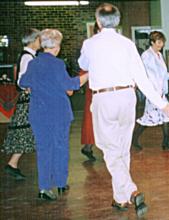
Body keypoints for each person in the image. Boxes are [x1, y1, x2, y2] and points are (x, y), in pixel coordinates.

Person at [78, 3, 169, 217]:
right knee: (122, 150)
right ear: (118, 20)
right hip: (126, 97)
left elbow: (83, 63)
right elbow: (141, 78)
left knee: (110, 149)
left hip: (103, 98)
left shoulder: (90, 44)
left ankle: (131, 190)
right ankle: (120, 198)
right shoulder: (127, 44)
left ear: (98, 21)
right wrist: (163, 104)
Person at [19, 29, 88, 201]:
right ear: (56, 46)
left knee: (43, 150)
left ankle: (44, 188)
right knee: (60, 147)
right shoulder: (57, 64)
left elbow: (22, 82)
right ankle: (60, 182)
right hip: (58, 113)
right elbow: (70, 85)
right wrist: (87, 75)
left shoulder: (33, 63)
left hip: (38, 114)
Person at [2, 29, 40, 180]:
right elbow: (21, 81)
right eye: (38, 39)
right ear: (33, 40)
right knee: (25, 133)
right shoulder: (28, 58)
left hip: (28, 100)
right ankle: (13, 163)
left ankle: (13, 163)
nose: (40, 42)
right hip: (28, 101)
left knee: (26, 133)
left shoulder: (28, 56)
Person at [132, 31, 169, 151]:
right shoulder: (147, 56)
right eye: (158, 42)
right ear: (152, 42)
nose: (161, 44)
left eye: (162, 42)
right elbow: (145, 76)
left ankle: (167, 141)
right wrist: (153, 91)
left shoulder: (158, 55)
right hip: (153, 93)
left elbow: (162, 75)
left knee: (166, 116)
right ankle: (134, 138)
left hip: (160, 92)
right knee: (149, 118)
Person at [80, 22, 101, 161]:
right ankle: (88, 146)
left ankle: (89, 147)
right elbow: (83, 67)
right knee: (92, 119)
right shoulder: (89, 46)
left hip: (101, 88)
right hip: (94, 89)